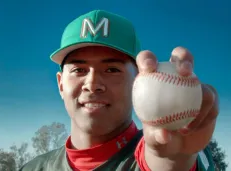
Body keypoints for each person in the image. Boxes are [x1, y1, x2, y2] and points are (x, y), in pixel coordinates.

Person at [19, 10, 218, 171]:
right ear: (61, 84)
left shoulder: (157, 153)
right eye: (79, 70)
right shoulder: (33, 168)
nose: (92, 83)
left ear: (137, 83)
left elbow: (164, 160)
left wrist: (173, 157)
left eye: (112, 69)